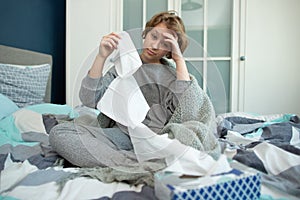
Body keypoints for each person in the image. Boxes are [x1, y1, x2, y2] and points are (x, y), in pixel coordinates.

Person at [49, 11, 219, 172]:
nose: (155, 45)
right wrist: (101, 57)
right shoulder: (124, 65)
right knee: (59, 133)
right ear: (145, 34)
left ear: (170, 49)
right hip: (121, 137)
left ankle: (131, 161)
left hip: (157, 140)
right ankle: (132, 165)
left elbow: (188, 110)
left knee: (188, 144)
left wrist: (179, 59)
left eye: (165, 43)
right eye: (153, 36)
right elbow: (89, 100)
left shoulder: (174, 75)